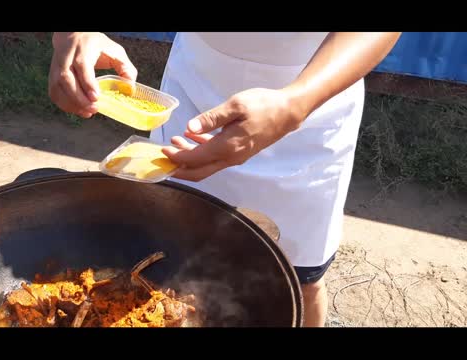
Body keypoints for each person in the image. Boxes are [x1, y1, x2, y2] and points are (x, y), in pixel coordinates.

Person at [48, 32, 401, 327]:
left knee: (299, 276)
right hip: (195, 87)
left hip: (311, 97)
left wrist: (294, 104)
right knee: (174, 250)